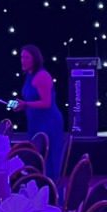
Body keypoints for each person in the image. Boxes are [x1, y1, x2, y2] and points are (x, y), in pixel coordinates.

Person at [14, 44, 66, 180]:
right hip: (36, 122)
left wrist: (26, 104)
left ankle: (51, 188)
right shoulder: (29, 76)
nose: (23, 60)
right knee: (37, 156)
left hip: (49, 122)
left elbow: (46, 102)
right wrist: (23, 106)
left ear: (35, 59)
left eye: (27, 57)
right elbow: (32, 100)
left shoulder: (42, 76)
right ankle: (39, 187)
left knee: (49, 158)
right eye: (22, 57)